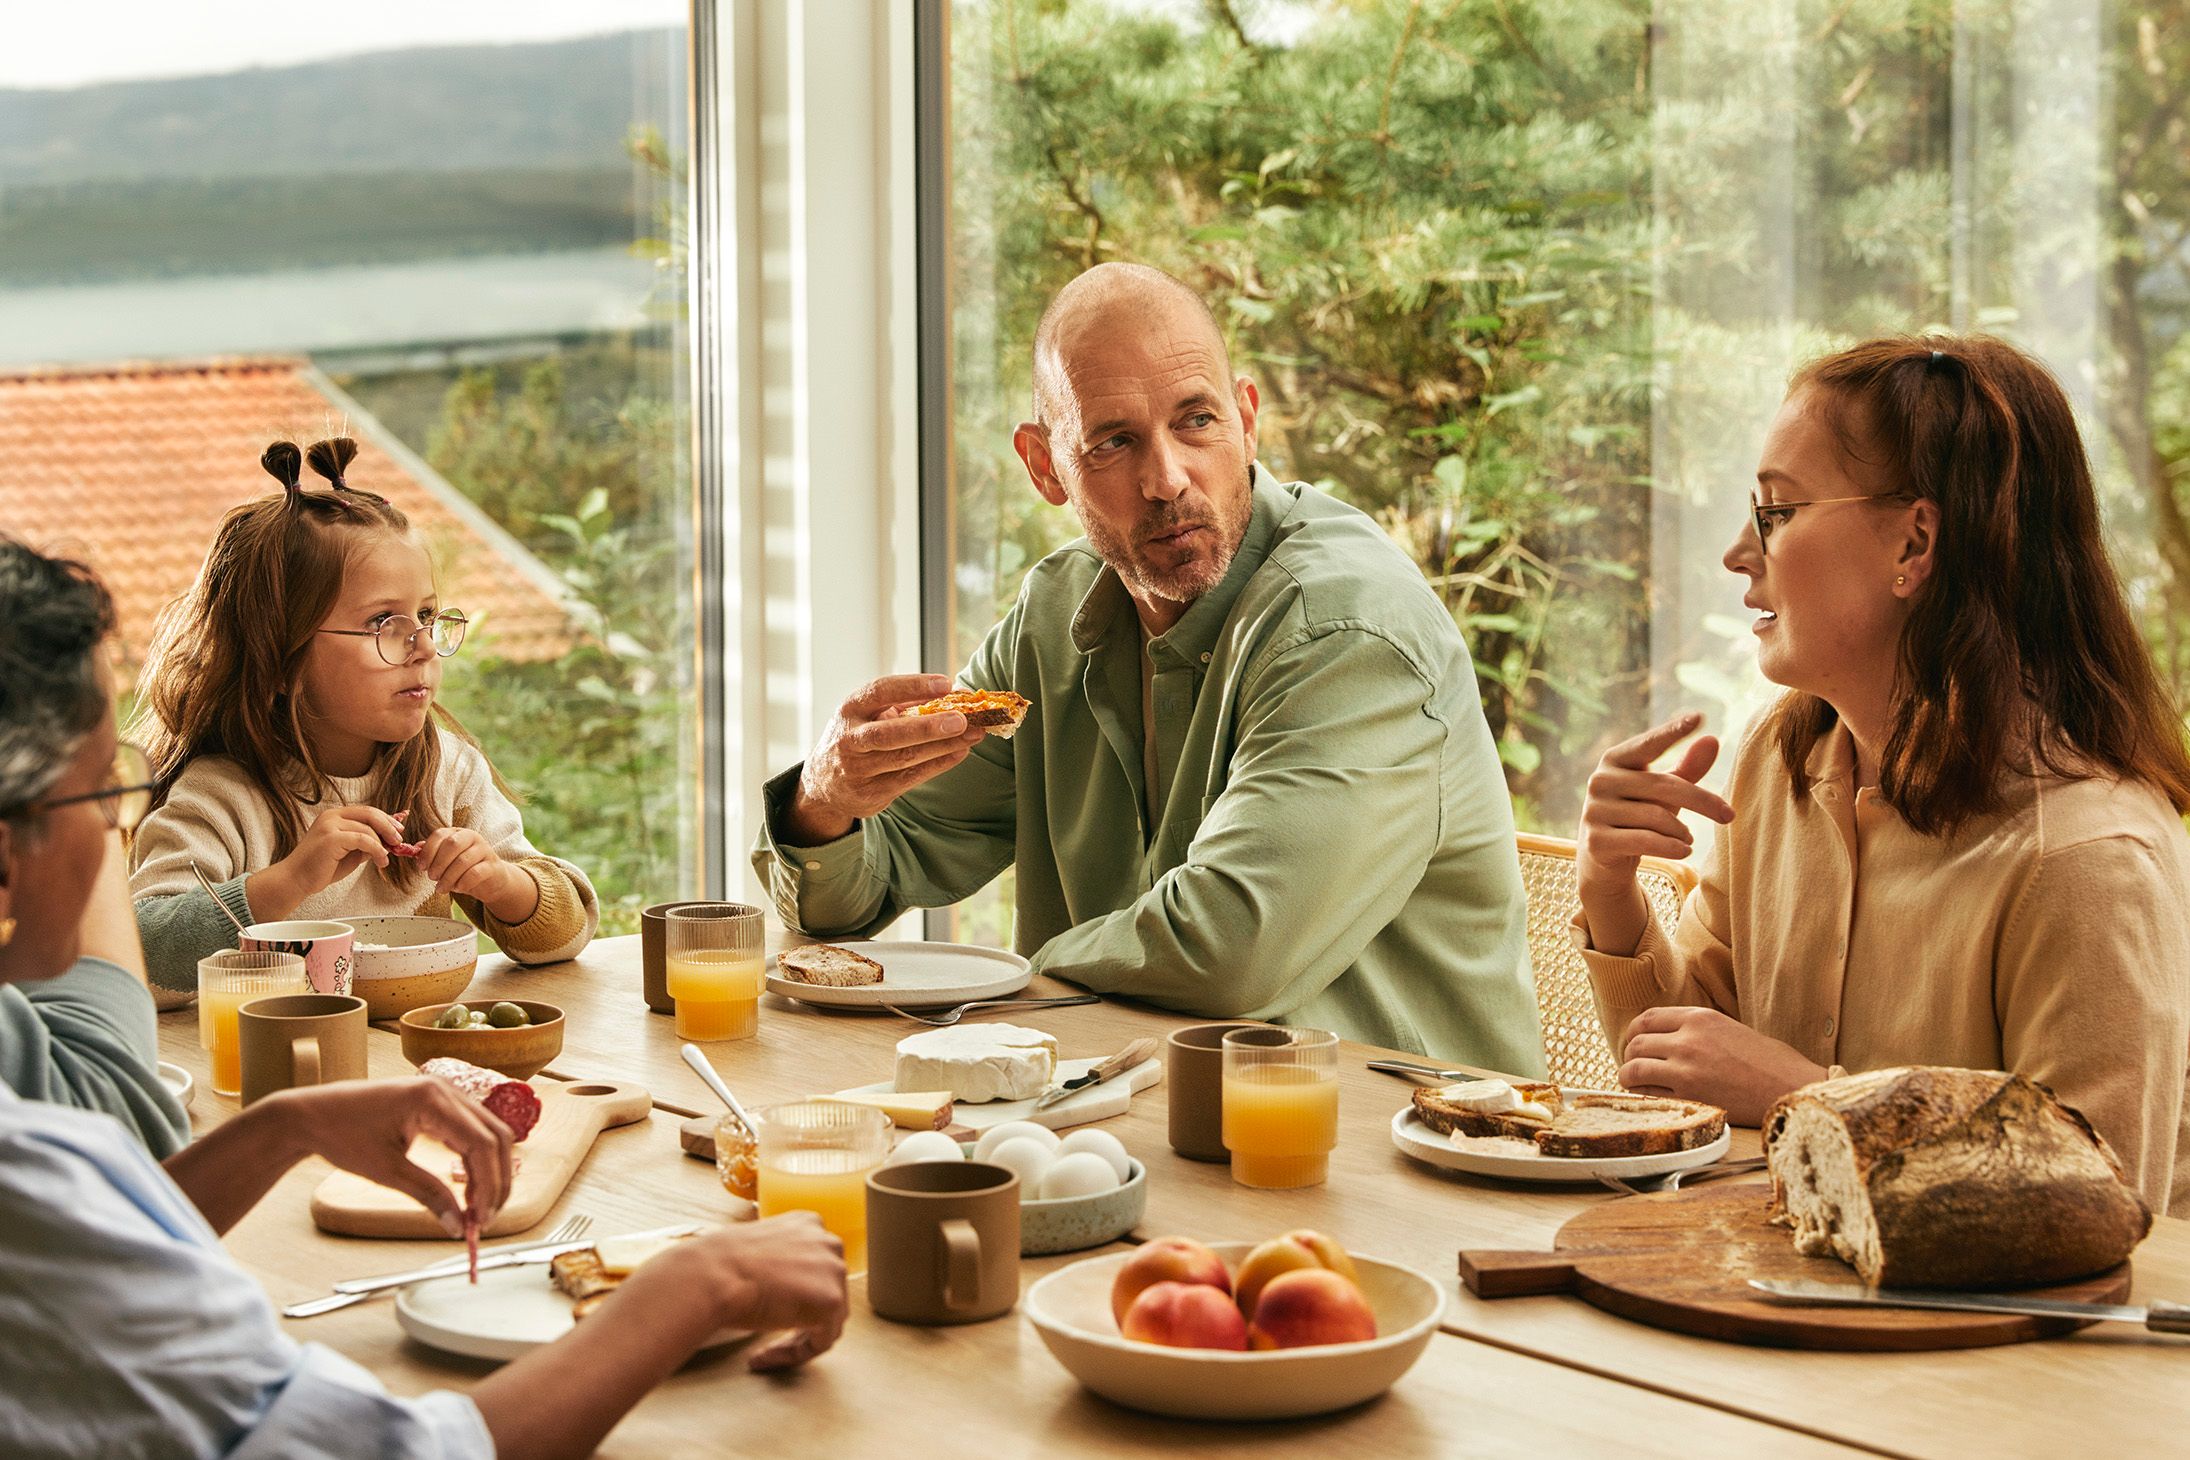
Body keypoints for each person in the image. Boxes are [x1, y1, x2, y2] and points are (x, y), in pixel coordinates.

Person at [0, 536, 849, 1459]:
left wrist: (283, 1129)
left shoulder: (436, 768)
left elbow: (102, 1235)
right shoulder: (30, 1168)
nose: (111, 837)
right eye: (102, 796)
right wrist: (698, 1289)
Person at [755, 262, 1542, 1071]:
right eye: (1114, 442)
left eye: (1196, 421)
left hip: (1409, 1157)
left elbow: (1231, 949)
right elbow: (867, 882)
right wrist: (825, 804)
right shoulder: (1051, 621)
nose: (1166, 479)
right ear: (1045, 466)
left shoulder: (1346, 630)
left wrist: (1004, 985)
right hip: (1136, 1125)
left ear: (1247, 420)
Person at [1572, 334, 2190, 1213]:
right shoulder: (1776, 767)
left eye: (1776, 512)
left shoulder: (2091, 855)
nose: (1738, 554)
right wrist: (1610, 887)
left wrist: (1811, 1097)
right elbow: (1691, 1072)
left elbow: (2093, 1199)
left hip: (2014, 1348)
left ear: (1915, 543)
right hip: (1790, 1292)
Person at [127, 438, 598, 994]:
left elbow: (568, 934)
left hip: (416, 1050)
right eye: (383, 624)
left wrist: (501, 885)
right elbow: (142, 950)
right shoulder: (222, 798)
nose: (423, 645)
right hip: (281, 1062)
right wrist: (289, 881)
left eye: (426, 615)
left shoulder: (446, 772)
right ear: (280, 660)